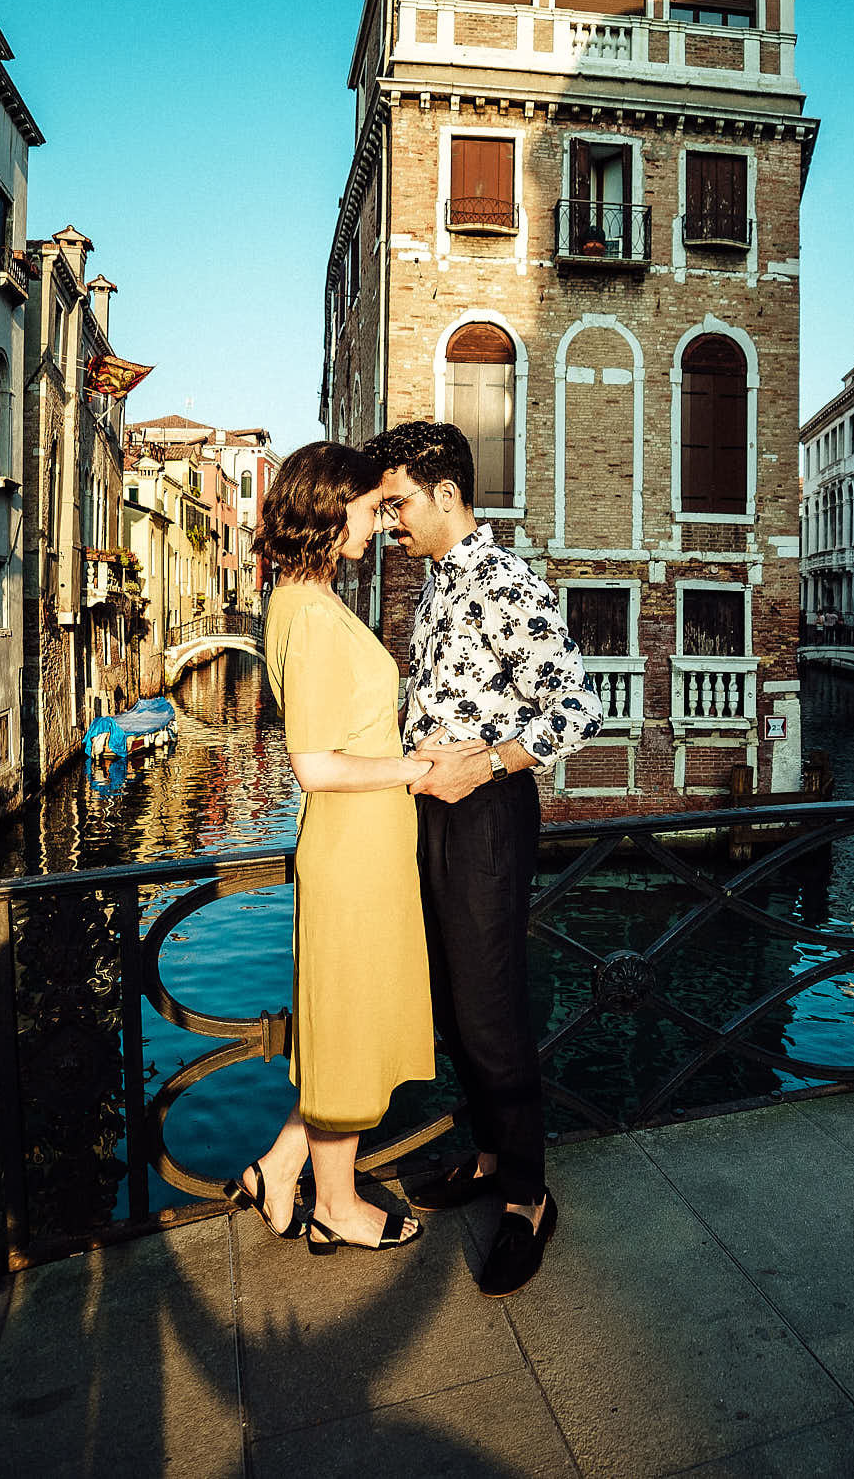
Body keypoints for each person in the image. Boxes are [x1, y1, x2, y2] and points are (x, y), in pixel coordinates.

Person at [364, 421, 604, 1297]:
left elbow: (581, 707)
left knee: (492, 1008)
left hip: (489, 817)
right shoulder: (435, 584)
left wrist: (488, 761)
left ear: (447, 494)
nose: (391, 520)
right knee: (458, 1008)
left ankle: (528, 1199)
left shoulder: (505, 581)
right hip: (436, 818)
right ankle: (495, 1154)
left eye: (399, 503)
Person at [238, 441, 472, 1254]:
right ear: (331, 508)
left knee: (350, 1024)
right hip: (351, 855)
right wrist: (420, 766)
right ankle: (334, 1203)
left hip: (369, 850)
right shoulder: (306, 612)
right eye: (371, 509)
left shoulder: (308, 598)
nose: (380, 524)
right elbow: (312, 763)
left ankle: (279, 1165)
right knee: (346, 1033)